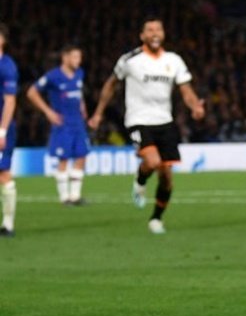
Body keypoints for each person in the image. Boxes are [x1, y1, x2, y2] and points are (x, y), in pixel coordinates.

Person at [88, 17, 205, 234]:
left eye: (158, 29)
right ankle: (140, 180)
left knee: (167, 177)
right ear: (142, 36)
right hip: (139, 120)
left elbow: (185, 90)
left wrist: (195, 106)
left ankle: (156, 219)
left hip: (165, 122)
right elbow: (111, 84)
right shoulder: (130, 60)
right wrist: (98, 113)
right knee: (152, 162)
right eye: (150, 30)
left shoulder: (174, 60)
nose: (154, 33)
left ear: (163, 34)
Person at [26, 44, 90, 205]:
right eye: (75, 57)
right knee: (64, 158)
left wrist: (82, 106)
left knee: (82, 156)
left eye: (80, 57)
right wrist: (48, 112)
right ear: (65, 57)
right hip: (63, 123)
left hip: (78, 122)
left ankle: (75, 196)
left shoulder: (79, 73)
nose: (78, 61)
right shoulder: (53, 76)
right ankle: (64, 198)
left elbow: (78, 92)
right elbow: (31, 92)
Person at [0, 23, 18, 237]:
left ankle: (8, 224)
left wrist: (2, 131)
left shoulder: (7, 66)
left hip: (2, 127)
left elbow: (10, 102)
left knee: (3, 173)